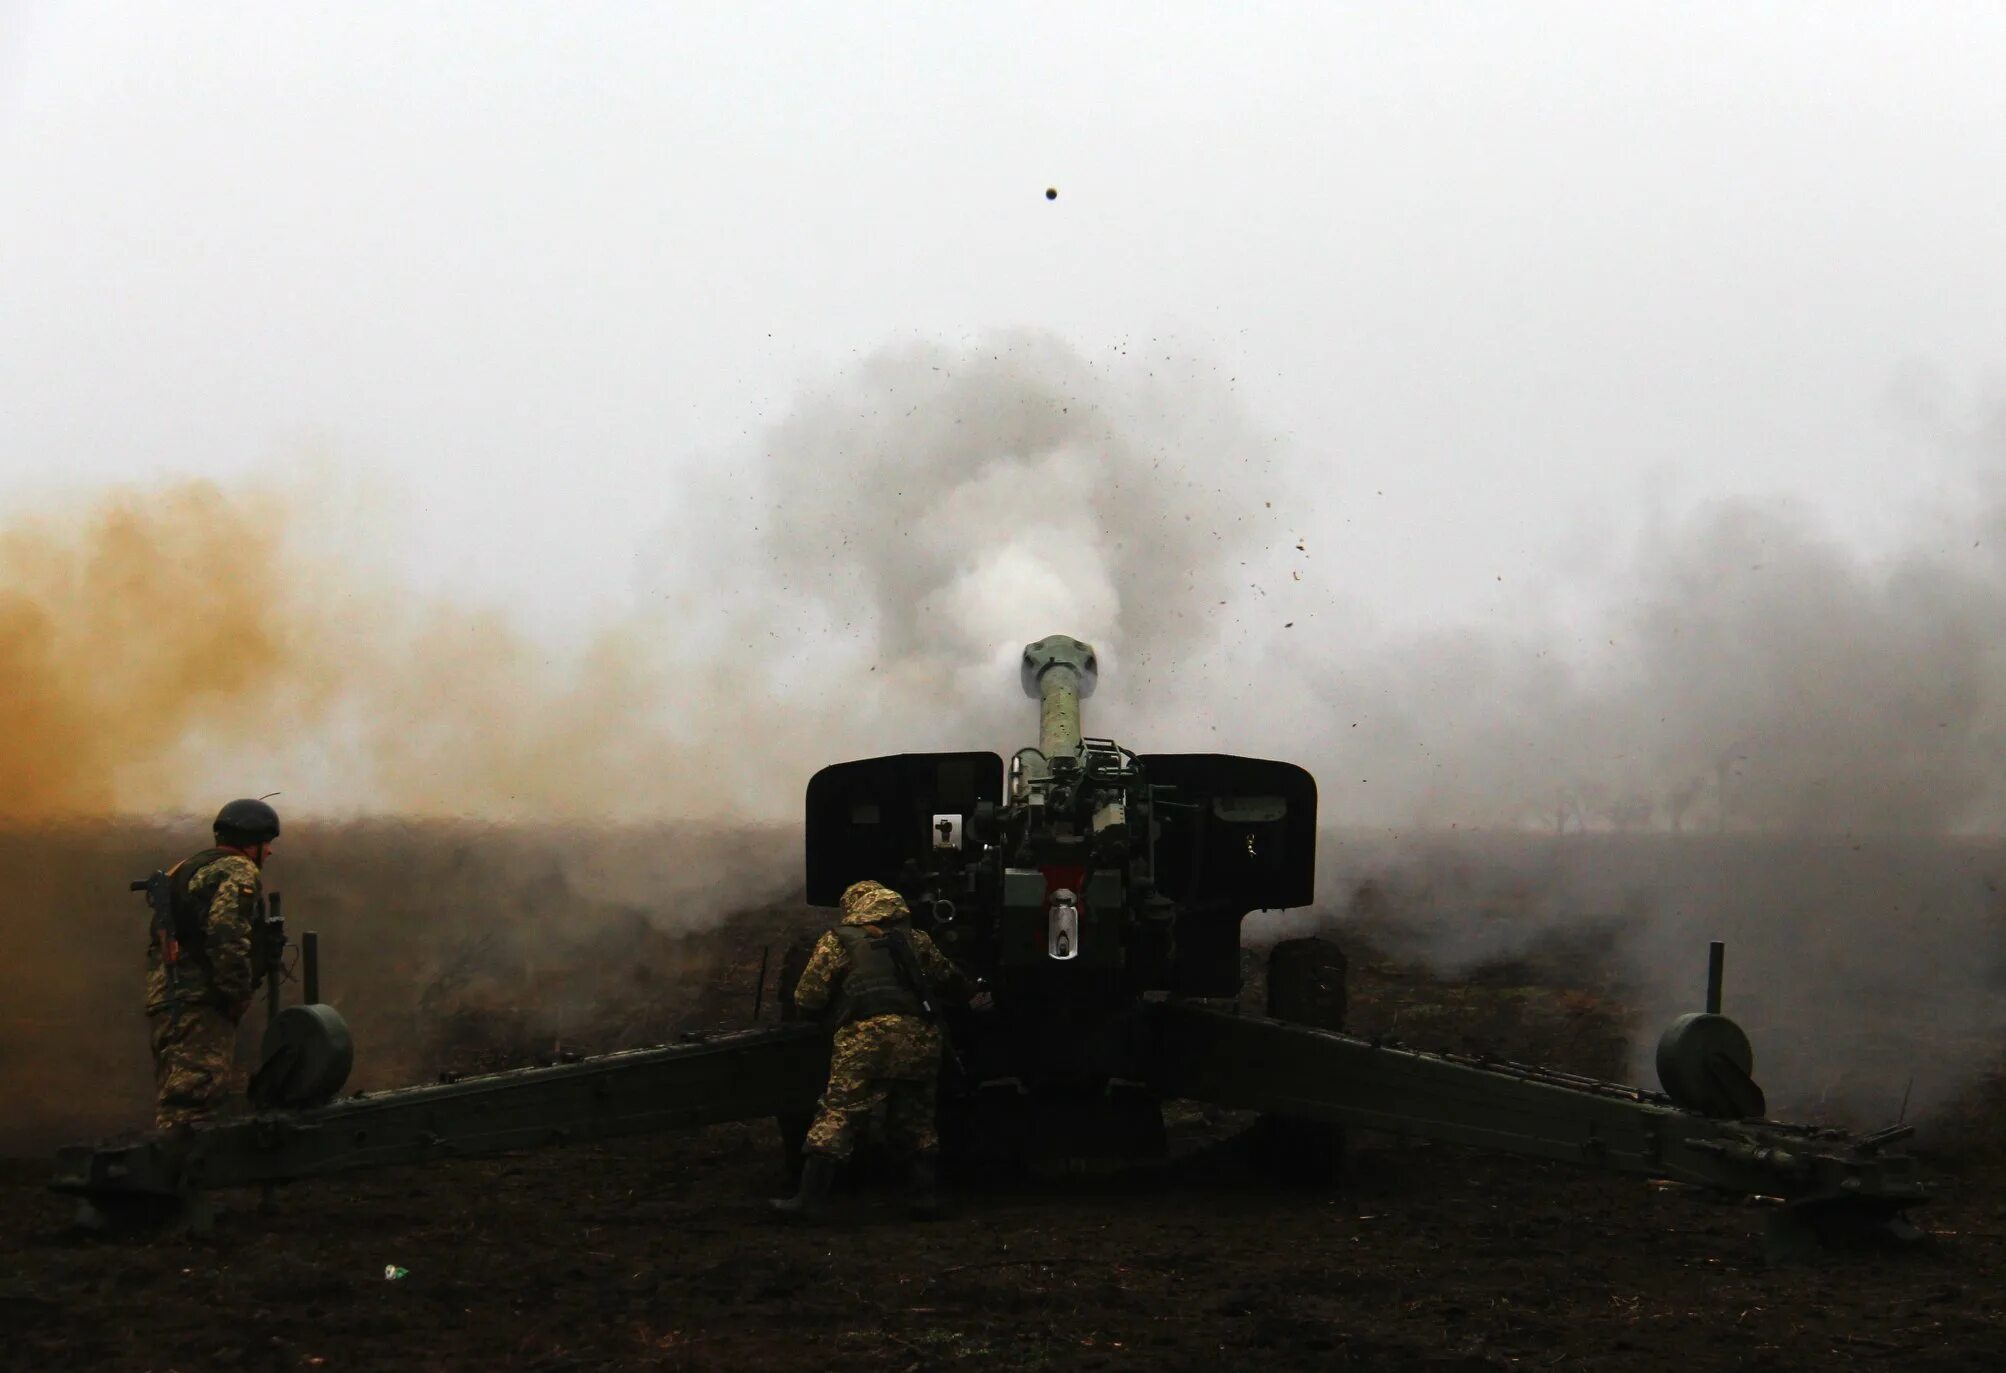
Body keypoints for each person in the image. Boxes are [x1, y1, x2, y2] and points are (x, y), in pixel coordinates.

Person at [770, 878, 969, 1221]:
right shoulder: (917, 940)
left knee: (838, 1114)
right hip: (918, 1036)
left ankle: (809, 1199)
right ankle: (923, 1197)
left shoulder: (839, 941)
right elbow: (950, 979)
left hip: (865, 1038)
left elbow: (808, 997)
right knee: (916, 1118)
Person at [145, 798, 280, 1132]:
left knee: (176, 1097)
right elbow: (226, 932)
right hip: (199, 1000)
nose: (270, 853)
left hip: (167, 997)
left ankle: (167, 1176)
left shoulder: (188, 868)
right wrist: (236, 992)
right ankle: (176, 1174)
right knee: (193, 1105)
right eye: (268, 844)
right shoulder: (237, 869)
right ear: (252, 844)